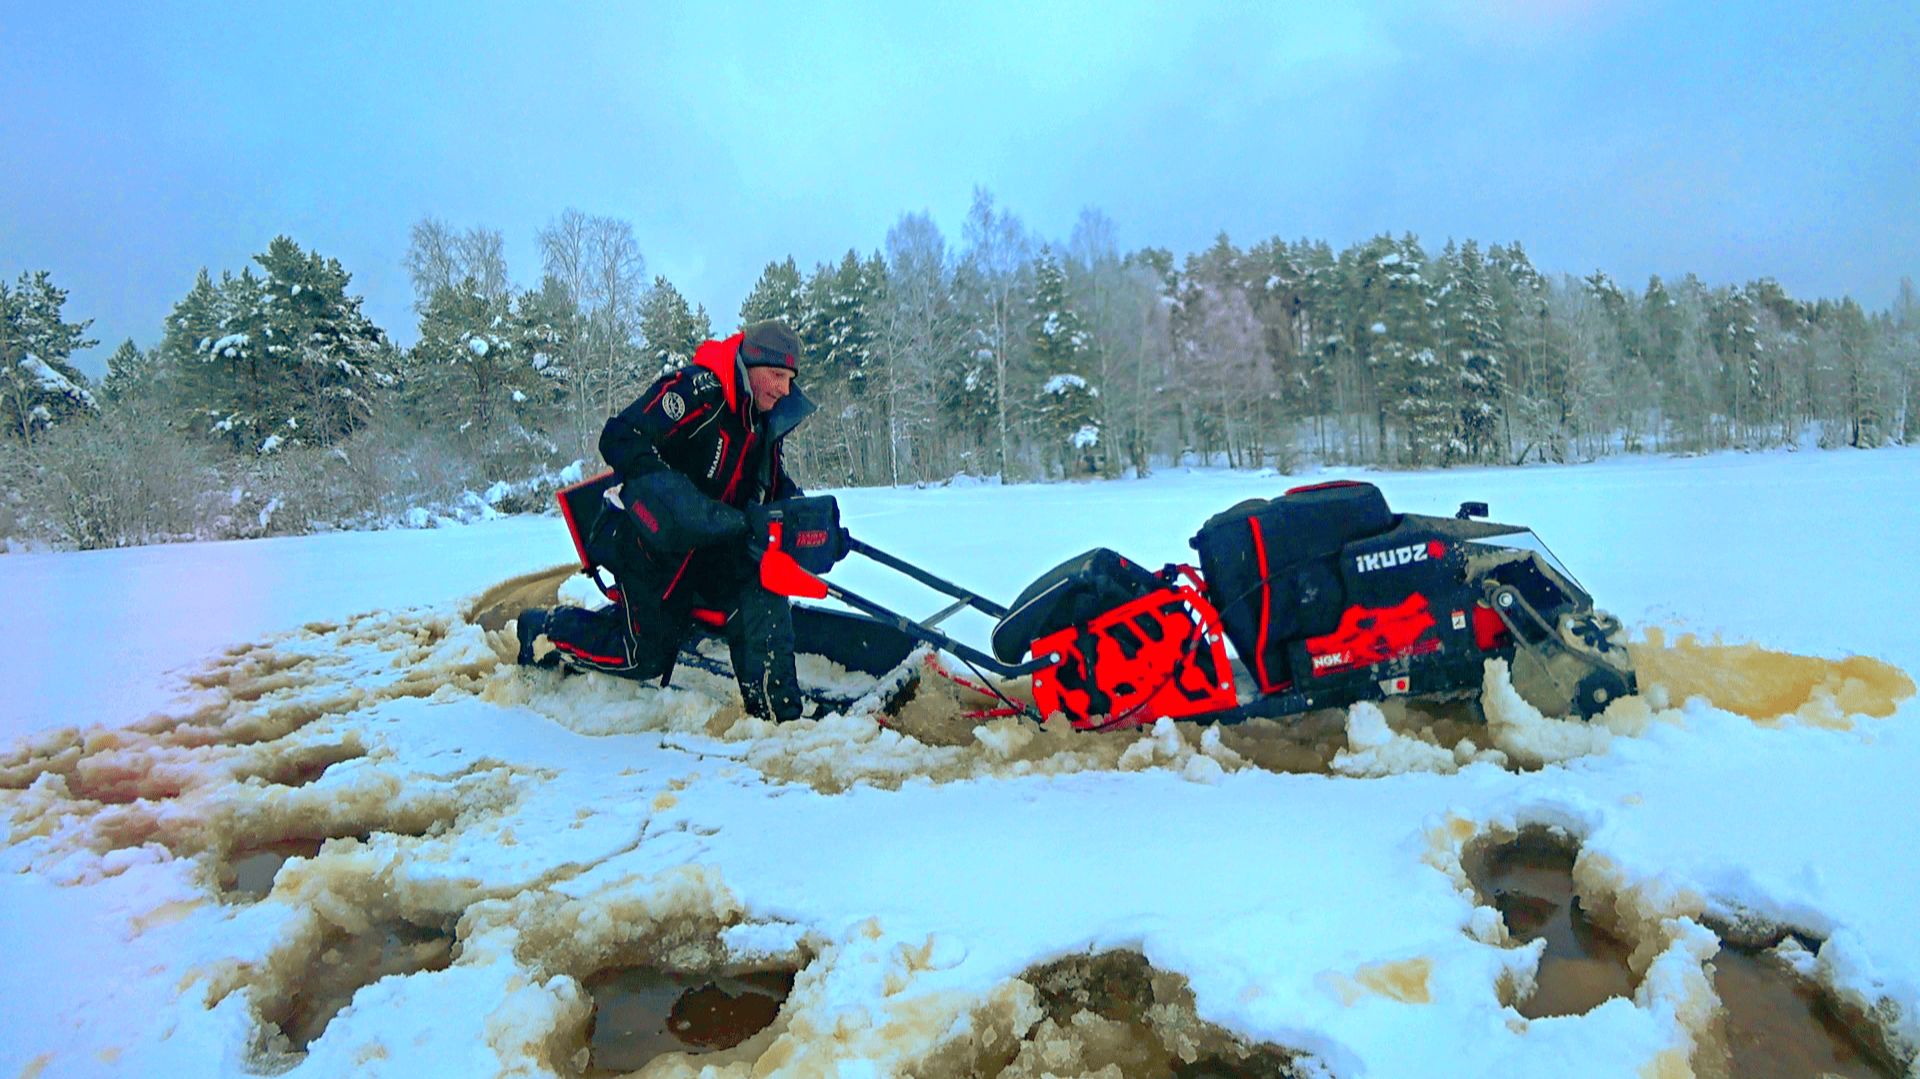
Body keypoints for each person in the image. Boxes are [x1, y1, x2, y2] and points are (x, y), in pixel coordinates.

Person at [516, 320, 813, 722]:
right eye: (777, 375)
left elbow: (774, 487)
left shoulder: (761, 419)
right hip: (647, 544)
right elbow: (620, 435)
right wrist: (668, 493)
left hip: (708, 548)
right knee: (644, 658)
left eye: (789, 379)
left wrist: (808, 522)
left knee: (761, 579)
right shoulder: (697, 393)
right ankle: (548, 627)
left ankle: (778, 719)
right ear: (751, 364)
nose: (784, 389)